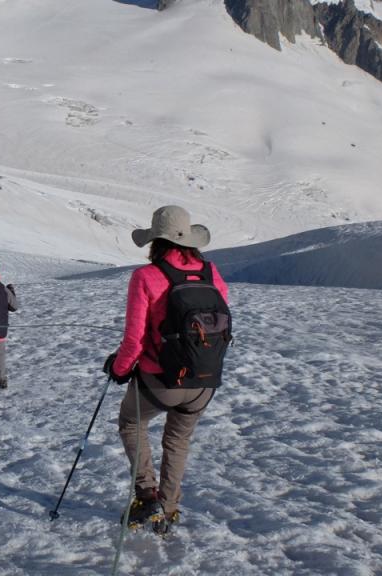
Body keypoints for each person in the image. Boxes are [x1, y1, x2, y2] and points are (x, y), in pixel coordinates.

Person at [103, 205, 230, 535]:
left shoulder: (146, 276)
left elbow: (134, 340)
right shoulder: (211, 272)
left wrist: (119, 369)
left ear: (155, 241)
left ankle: (147, 497)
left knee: (131, 422)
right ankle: (169, 507)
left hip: (160, 380)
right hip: (204, 379)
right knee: (177, 440)